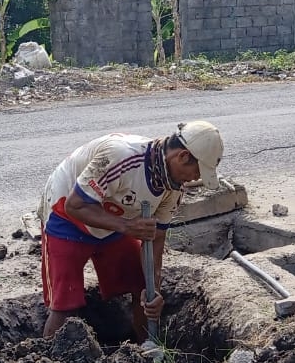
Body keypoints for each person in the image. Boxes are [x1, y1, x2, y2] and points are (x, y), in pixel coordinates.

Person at [38, 121, 224, 344]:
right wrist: (126, 226)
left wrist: (152, 287)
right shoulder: (121, 156)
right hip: (65, 214)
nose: (195, 179)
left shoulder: (172, 188)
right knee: (65, 303)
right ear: (183, 156)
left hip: (117, 216)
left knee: (140, 285)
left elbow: (156, 238)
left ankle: (146, 352)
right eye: (196, 171)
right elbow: (75, 205)